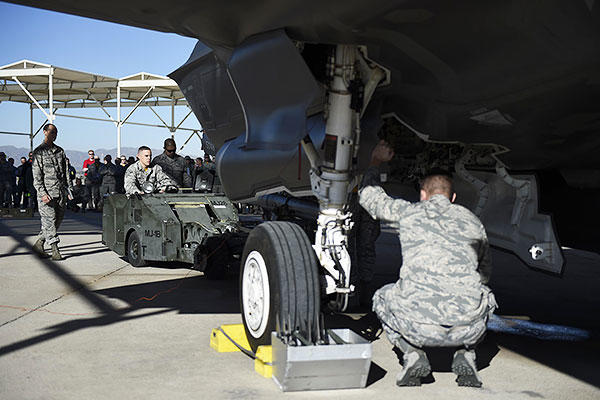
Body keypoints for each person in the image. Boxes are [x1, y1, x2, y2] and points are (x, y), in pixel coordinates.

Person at [359, 140, 497, 388]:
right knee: (485, 294)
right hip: (467, 328)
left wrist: (376, 162)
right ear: (452, 197)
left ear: (423, 195)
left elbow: (369, 197)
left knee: (381, 297)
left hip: (418, 327)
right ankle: (466, 353)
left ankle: (412, 353)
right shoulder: (473, 222)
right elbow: (485, 272)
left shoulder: (410, 213)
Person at [31, 124, 74, 260]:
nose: (54, 134)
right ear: (44, 132)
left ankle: (39, 243)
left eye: (56, 132)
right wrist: (42, 193)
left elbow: (65, 172)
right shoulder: (39, 152)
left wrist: (69, 190)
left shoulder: (59, 151)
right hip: (47, 194)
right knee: (49, 220)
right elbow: (37, 176)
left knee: (57, 221)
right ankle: (55, 250)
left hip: (60, 193)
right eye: (51, 132)